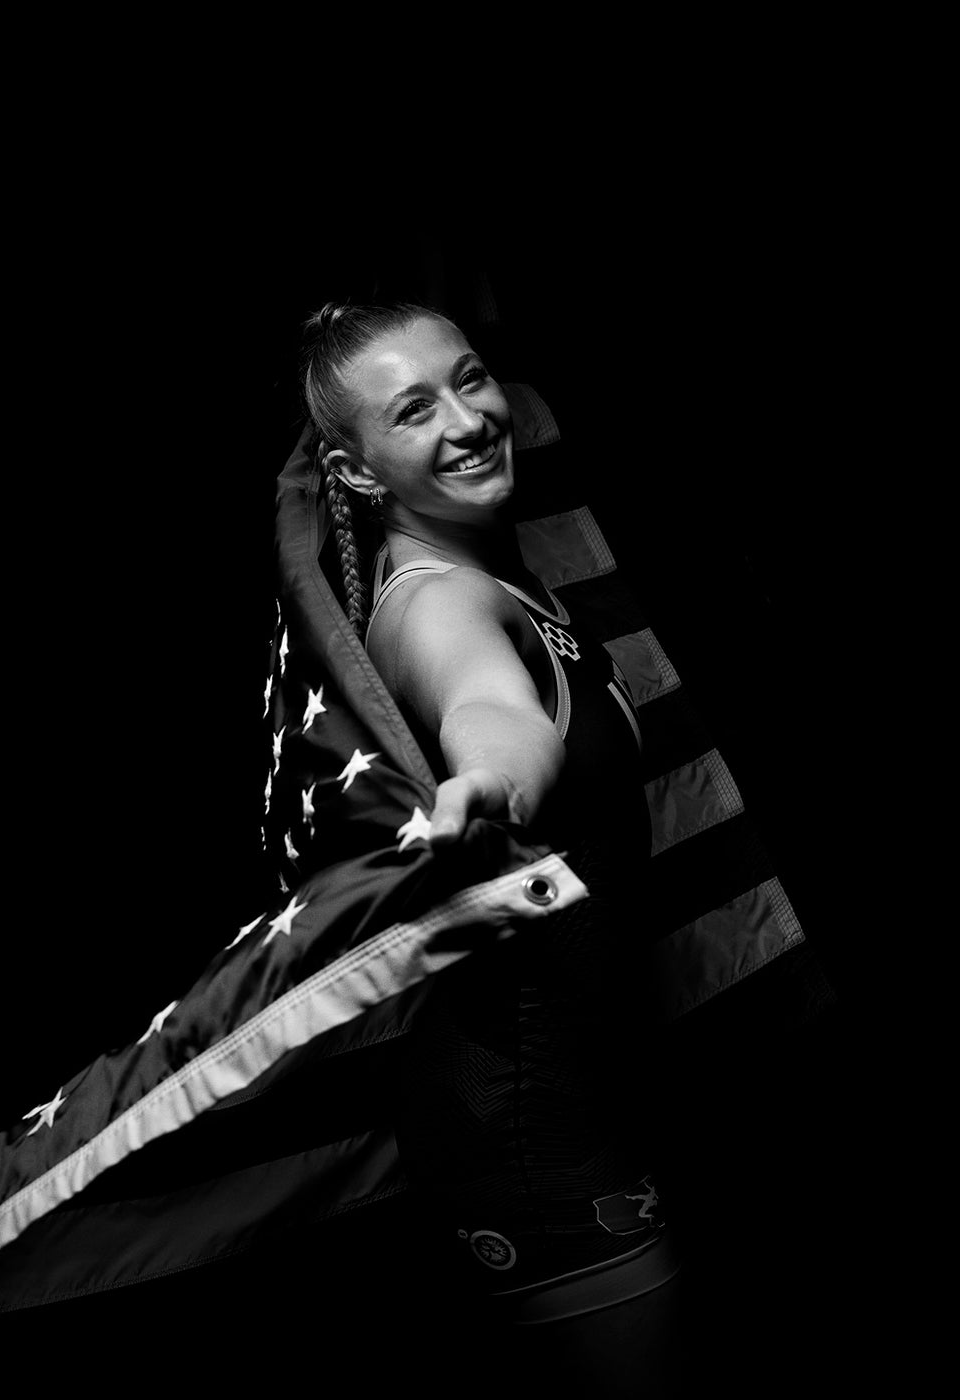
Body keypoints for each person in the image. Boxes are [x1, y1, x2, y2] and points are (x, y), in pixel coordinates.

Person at [299, 300, 686, 1389]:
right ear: (358, 472)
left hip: (588, 1083)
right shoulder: (438, 603)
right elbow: (494, 711)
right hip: (521, 1115)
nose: (469, 420)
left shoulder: (491, 562)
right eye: (414, 409)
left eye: (469, 379)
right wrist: (493, 780)